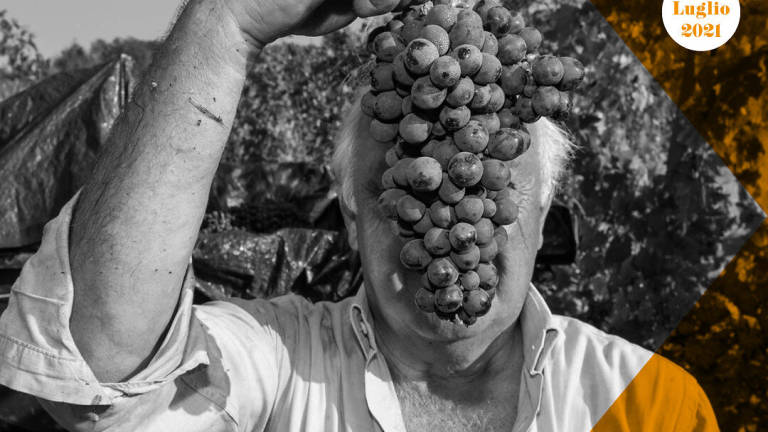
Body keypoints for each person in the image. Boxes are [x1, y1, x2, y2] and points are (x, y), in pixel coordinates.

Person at [0, 0, 719, 431]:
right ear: (347, 214)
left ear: (543, 211)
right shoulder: (277, 366)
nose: (438, 228)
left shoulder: (647, 404)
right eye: (400, 194)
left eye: (487, 190)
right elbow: (99, 365)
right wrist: (229, 20)